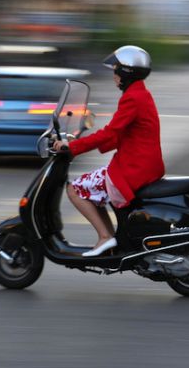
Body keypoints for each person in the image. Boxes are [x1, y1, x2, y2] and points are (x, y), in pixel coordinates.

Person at [53, 45, 165, 257]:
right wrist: (80, 143)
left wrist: (73, 147)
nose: (114, 75)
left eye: (116, 70)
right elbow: (120, 134)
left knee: (75, 189)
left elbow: (110, 132)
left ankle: (105, 237)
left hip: (135, 168)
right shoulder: (140, 94)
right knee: (91, 188)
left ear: (126, 72)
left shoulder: (132, 98)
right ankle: (110, 238)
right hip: (144, 165)